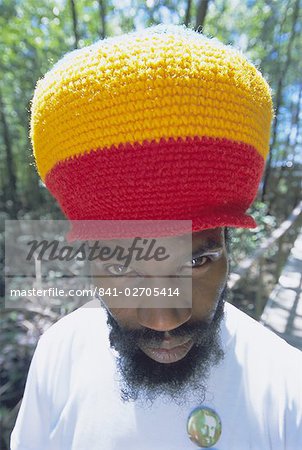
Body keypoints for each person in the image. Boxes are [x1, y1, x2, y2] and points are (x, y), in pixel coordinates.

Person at [10, 24, 302, 450]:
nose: (164, 320)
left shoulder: (287, 388)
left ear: (227, 248)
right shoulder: (58, 355)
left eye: (196, 262)